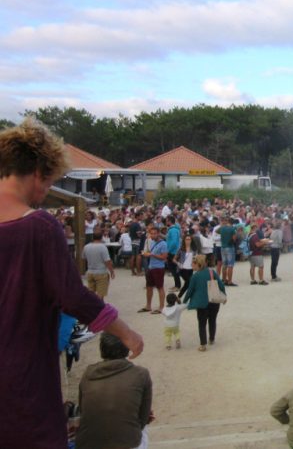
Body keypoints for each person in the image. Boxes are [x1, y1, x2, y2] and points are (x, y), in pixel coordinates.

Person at [0, 118, 143, 449]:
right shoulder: (39, 227)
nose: (44, 193)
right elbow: (73, 296)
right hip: (22, 378)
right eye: (50, 181)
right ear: (39, 171)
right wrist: (125, 332)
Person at [75, 333, 153, 449]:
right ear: (127, 348)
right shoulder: (141, 374)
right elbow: (143, 417)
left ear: (102, 349)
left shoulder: (88, 373)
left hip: (88, 443)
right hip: (127, 442)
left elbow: (83, 410)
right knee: (143, 428)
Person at [183, 254, 226, 352]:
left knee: (202, 323)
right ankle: (211, 339)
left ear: (198, 264)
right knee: (212, 320)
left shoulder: (195, 276)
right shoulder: (212, 272)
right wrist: (224, 296)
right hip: (214, 301)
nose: (191, 265)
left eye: (192, 263)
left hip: (202, 303)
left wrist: (184, 301)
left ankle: (203, 344)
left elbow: (190, 291)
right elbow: (221, 285)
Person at [140, 225, 168, 314]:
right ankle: (148, 306)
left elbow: (164, 257)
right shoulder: (151, 242)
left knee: (160, 287)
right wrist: (146, 254)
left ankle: (161, 307)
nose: (153, 235)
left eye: (154, 233)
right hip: (151, 267)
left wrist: (152, 255)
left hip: (158, 268)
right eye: (151, 233)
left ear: (158, 234)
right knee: (149, 287)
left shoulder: (163, 244)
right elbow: (150, 253)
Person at [82, 230, 115, 301]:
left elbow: (84, 258)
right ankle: (99, 306)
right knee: (100, 294)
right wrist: (112, 271)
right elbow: (107, 261)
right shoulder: (103, 247)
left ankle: (92, 306)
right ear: (101, 237)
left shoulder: (86, 247)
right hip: (101, 272)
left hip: (90, 271)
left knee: (91, 293)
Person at [174, 234, 197, 298]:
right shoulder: (181, 249)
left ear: (191, 240)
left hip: (190, 269)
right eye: (186, 239)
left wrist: (195, 263)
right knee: (189, 282)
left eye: (189, 239)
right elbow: (174, 259)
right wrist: (178, 264)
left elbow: (195, 259)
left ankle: (179, 297)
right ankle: (180, 297)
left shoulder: (194, 250)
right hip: (182, 269)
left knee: (187, 284)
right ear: (184, 240)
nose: (188, 241)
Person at [247, 221, 269, 285]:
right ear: (255, 227)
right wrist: (265, 242)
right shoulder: (255, 235)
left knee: (252, 266)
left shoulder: (249, 235)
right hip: (257, 253)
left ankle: (253, 280)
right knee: (261, 266)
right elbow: (257, 245)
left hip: (250, 252)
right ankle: (261, 280)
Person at [219, 216, 238, 286]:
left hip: (223, 247)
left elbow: (217, 232)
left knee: (224, 265)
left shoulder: (222, 228)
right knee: (230, 265)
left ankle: (224, 280)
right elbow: (234, 239)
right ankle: (230, 281)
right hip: (230, 247)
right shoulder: (232, 229)